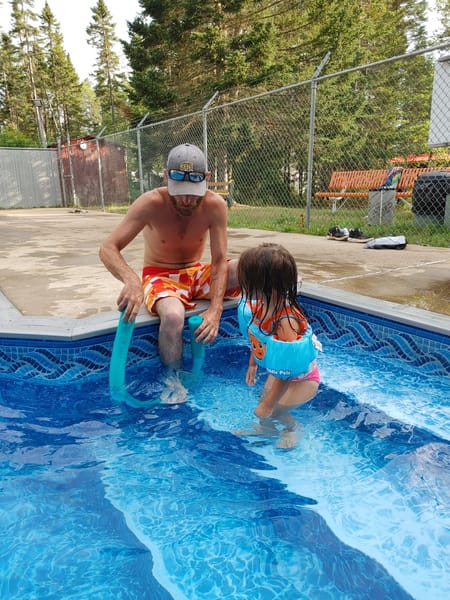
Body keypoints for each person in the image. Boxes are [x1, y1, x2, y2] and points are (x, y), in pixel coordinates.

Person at [99, 143, 239, 400]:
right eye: (180, 192)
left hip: (196, 273)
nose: (187, 200)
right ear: (166, 176)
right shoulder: (150, 203)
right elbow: (108, 248)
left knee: (247, 268)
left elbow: (219, 260)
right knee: (173, 316)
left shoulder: (215, 205)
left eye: (193, 193)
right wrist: (131, 280)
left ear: (207, 179)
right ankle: (172, 381)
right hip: (160, 276)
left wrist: (215, 310)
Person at [237, 243, 321, 448]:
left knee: (276, 409)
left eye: (247, 281)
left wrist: (268, 404)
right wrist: (253, 364)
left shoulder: (285, 321)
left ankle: (293, 429)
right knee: (264, 399)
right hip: (281, 373)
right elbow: (259, 339)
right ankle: (267, 430)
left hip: (302, 379)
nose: (242, 285)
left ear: (268, 287)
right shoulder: (261, 307)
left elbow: (288, 369)